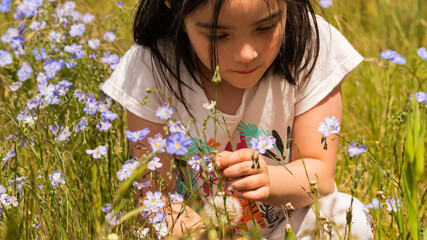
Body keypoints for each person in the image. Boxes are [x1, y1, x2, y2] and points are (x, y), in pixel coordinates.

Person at [102, 0, 374, 239]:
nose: (247, 54)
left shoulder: (310, 43)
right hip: (195, 232)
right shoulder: (152, 68)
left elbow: (321, 175)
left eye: (265, 27)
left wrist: (270, 180)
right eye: (219, 35)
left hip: (290, 228)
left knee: (348, 219)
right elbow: (151, 193)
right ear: (175, 8)